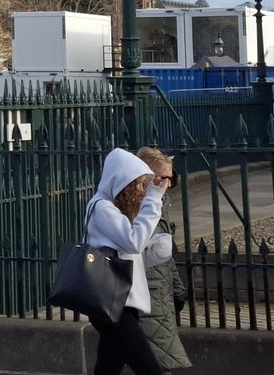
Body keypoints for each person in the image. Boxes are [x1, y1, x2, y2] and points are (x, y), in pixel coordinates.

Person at [85, 146, 166, 375]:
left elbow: (128, 251)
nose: (141, 190)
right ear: (122, 182)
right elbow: (133, 242)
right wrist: (153, 200)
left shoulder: (112, 209)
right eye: (138, 184)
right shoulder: (102, 207)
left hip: (120, 301)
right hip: (114, 302)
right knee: (148, 368)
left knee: (108, 367)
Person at [135, 146, 191, 372]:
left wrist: (177, 287)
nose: (166, 184)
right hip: (147, 293)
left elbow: (164, 252)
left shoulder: (158, 202)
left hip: (160, 291)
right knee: (159, 361)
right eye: (160, 178)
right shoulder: (137, 206)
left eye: (170, 178)